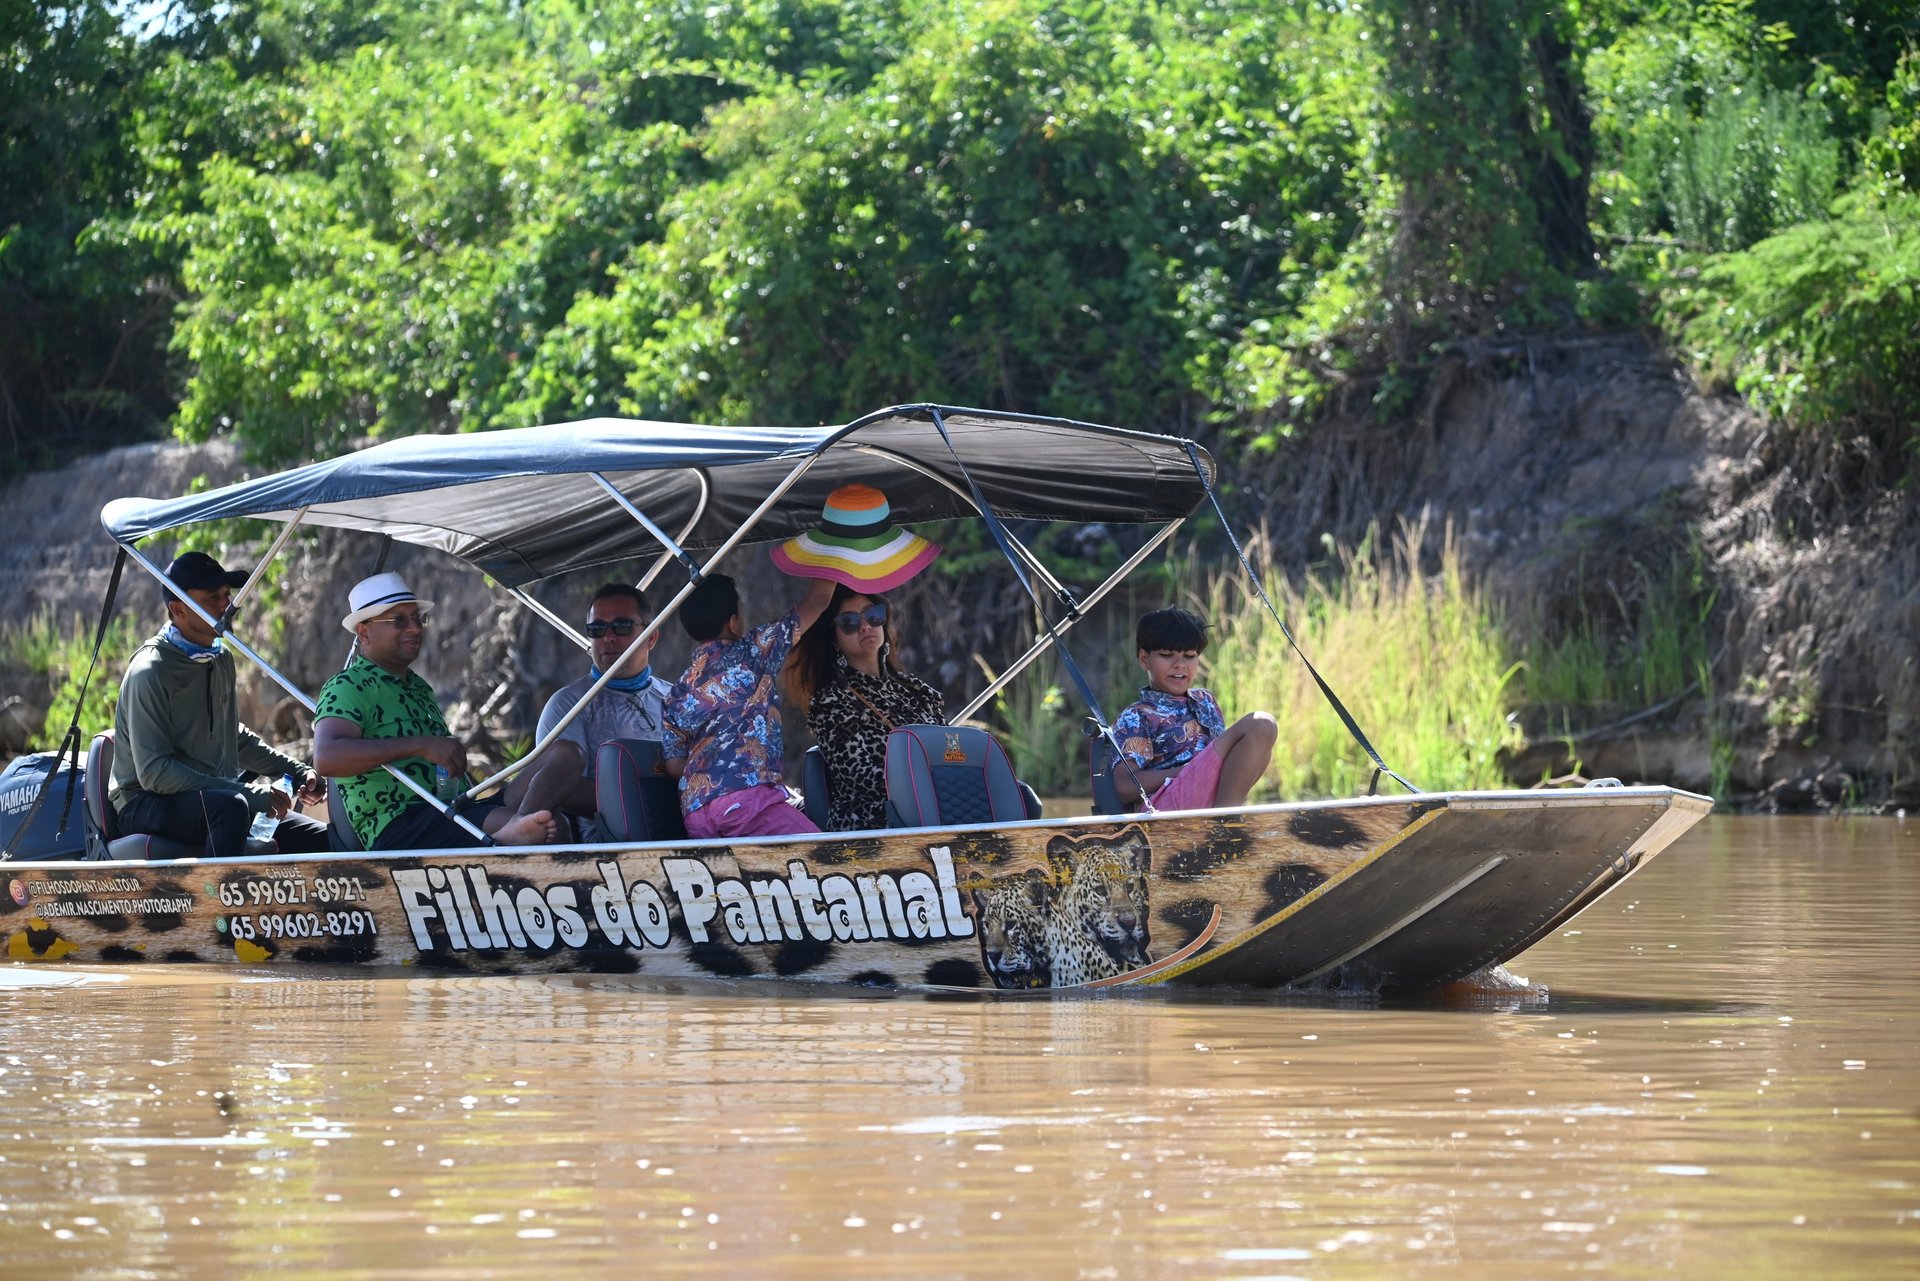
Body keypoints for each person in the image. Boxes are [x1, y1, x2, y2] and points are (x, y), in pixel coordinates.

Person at [312, 572, 556, 850]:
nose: (415, 628)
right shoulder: (347, 686)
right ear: (364, 632)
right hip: (399, 825)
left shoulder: (419, 687)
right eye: (398, 620)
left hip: (451, 810)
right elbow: (326, 758)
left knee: (563, 757)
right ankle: (501, 840)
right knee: (530, 825)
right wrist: (421, 745)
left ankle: (507, 835)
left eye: (417, 618)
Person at [109, 552, 330, 857]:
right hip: (145, 802)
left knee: (321, 839)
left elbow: (232, 738)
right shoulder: (150, 671)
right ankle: (218, 905)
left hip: (213, 797)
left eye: (227, 594)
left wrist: (299, 770)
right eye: (212, 597)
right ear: (178, 609)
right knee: (231, 808)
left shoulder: (220, 658)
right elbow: (155, 773)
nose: (225, 605)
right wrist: (250, 794)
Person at [661, 571, 835, 839]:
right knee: (825, 861)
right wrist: (833, 549)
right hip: (747, 805)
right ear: (733, 622)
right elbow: (819, 600)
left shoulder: (676, 692)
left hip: (696, 816)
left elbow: (674, 767)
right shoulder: (753, 651)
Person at [507, 582, 673, 831]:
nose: (608, 637)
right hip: (606, 847)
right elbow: (562, 786)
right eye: (597, 629)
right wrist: (650, 800)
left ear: (651, 637)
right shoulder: (569, 705)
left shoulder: (676, 698)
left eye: (622, 626)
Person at [785, 584, 944, 832]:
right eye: (849, 622)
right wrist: (923, 781)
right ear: (834, 638)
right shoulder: (831, 701)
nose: (865, 626)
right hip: (872, 826)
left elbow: (947, 752)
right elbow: (860, 777)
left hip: (935, 811)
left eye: (873, 615)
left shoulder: (918, 691)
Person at [1112, 606, 1277, 811]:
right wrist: (1184, 771)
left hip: (1203, 796)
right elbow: (1125, 787)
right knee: (1260, 724)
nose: (1180, 664)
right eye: (1167, 655)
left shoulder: (1205, 701)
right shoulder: (1137, 715)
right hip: (1165, 809)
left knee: (1260, 744)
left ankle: (1225, 816)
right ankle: (1225, 822)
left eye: (1189, 656)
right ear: (1145, 659)